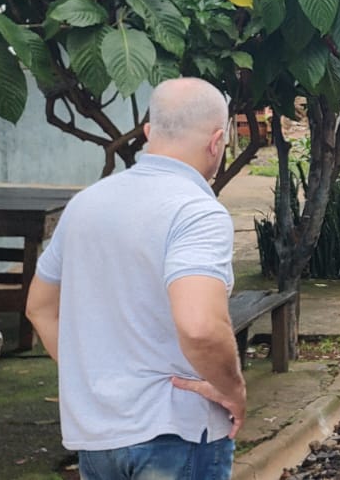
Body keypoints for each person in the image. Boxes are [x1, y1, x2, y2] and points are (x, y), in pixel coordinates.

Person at [26, 78, 243, 480]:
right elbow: (200, 327)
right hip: (174, 435)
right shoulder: (196, 211)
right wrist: (233, 390)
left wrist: (97, 379)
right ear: (217, 142)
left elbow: (39, 308)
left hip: (97, 437)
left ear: (148, 133)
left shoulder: (85, 204)